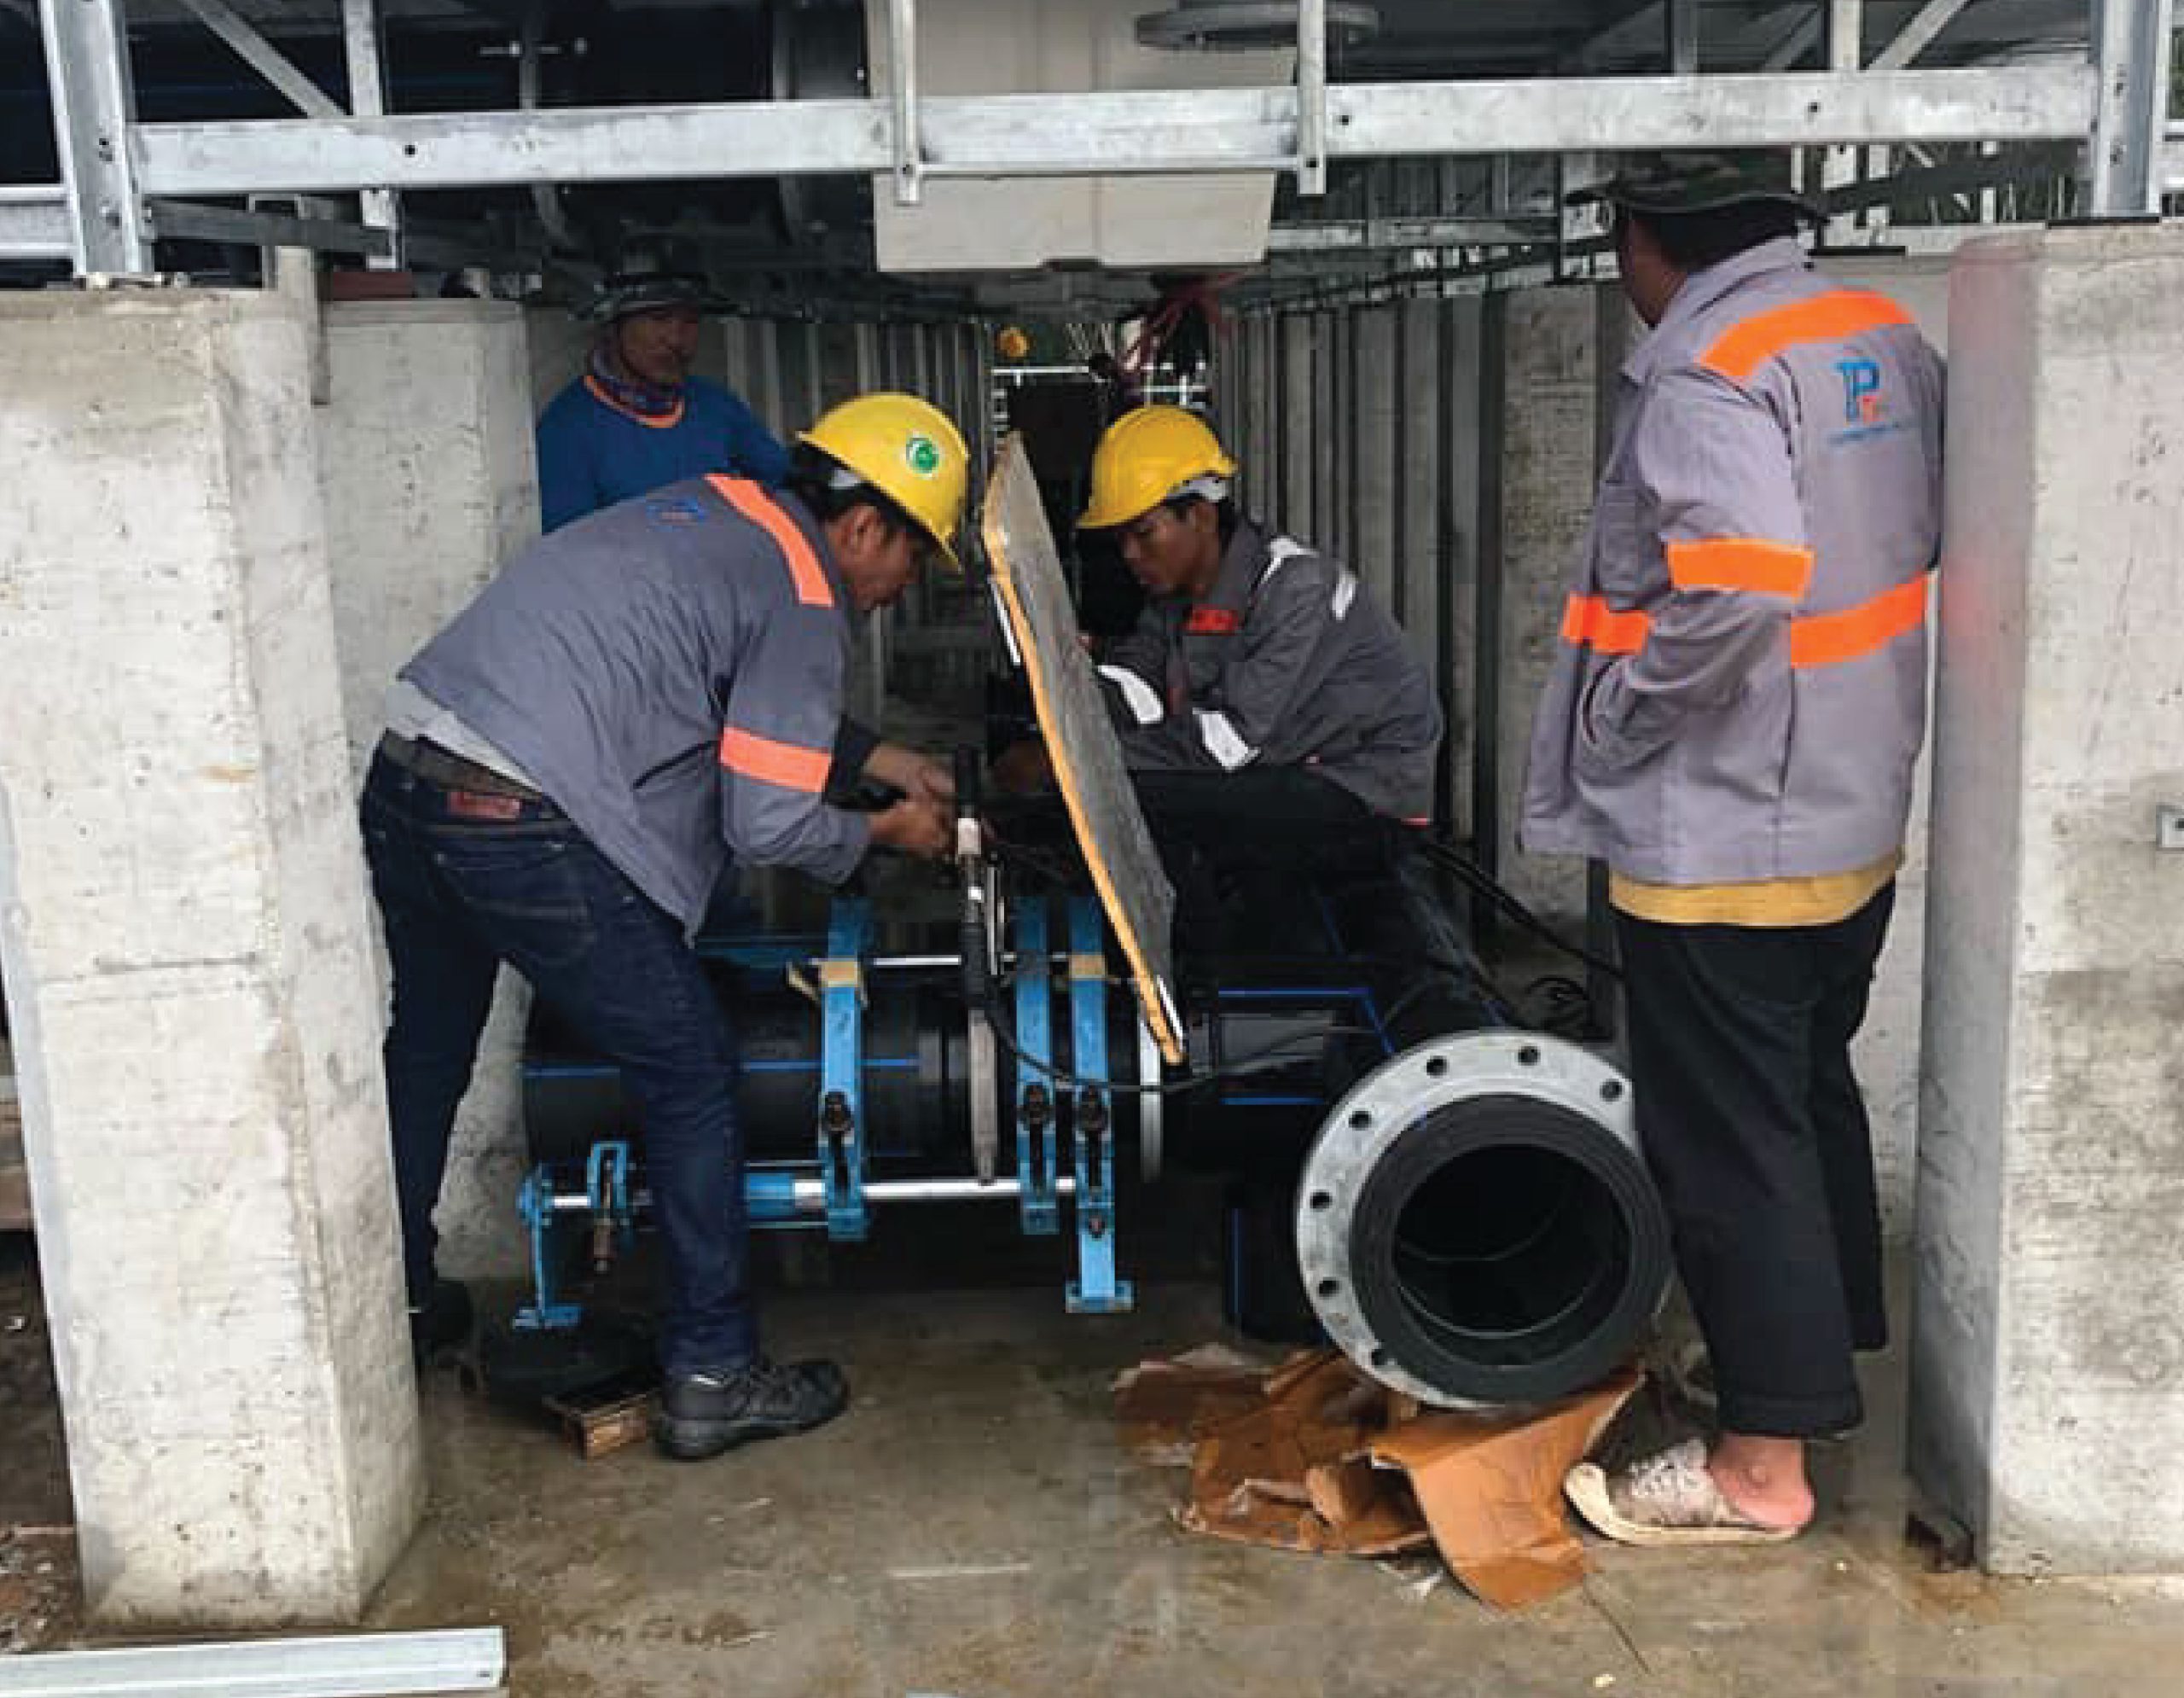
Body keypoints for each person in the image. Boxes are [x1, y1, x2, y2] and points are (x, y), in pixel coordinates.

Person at [362, 393, 969, 1461]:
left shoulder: (719, 514)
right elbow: (768, 816)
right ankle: (712, 1372)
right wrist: (888, 834)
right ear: (867, 525)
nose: (901, 588)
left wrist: (879, 762)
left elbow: (749, 705)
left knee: (426, 1048)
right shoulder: (803, 587)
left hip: (412, 775)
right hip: (519, 819)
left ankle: (399, 1305)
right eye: (912, 558)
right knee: (690, 1067)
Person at [1521, 154, 1944, 1544]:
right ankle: (1817, 1365)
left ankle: (1760, 1466)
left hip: (1728, 830)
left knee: (1728, 1142)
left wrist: (1627, 720)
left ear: (1644, 242)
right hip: (1850, 804)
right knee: (1804, 1094)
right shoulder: (1870, 335)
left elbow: (1744, 581)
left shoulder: (1703, 369)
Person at [997, 405, 1441, 840]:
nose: (1130, 553)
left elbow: (1226, 743)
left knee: (1149, 799)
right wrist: (1068, 696)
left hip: (1365, 790)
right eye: (1120, 539)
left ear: (1202, 515)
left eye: (1144, 533)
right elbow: (1139, 689)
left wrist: (1071, 765)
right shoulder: (1173, 597)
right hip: (1286, 770)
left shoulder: (1292, 587)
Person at [536, 270, 792, 532]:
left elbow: (782, 481)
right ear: (612, 327)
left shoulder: (715, 405)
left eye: (690, 321)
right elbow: (571, 549)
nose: (676, 339)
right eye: (658, 319)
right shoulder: (568, 430)